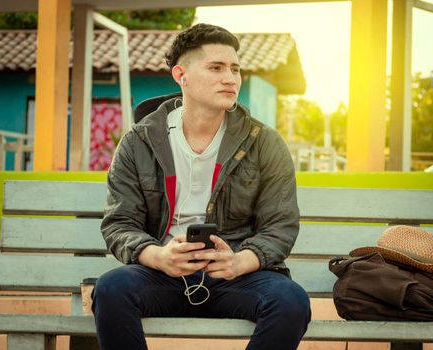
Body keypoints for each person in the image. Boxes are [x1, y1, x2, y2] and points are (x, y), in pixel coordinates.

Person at [92, 23, 311, 350]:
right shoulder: (139, 142)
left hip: (235, 275)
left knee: (290, 301)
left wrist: (240, 261)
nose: (230, 78)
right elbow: (120, 223)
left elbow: (279, 225)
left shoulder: (264, 143)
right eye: (216, 67)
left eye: (235, 69)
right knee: (111, 289)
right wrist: (159, 256)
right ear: (181, 75)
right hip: (163, 274)